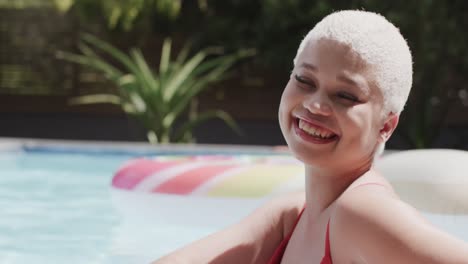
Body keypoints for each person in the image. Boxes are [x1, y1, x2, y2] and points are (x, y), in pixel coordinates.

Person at [153, 10, 468, 263]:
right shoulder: (292, 216)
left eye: (345, 95)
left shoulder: (362, 214)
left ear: (386, 125)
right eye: (305, 80)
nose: (315, 105)